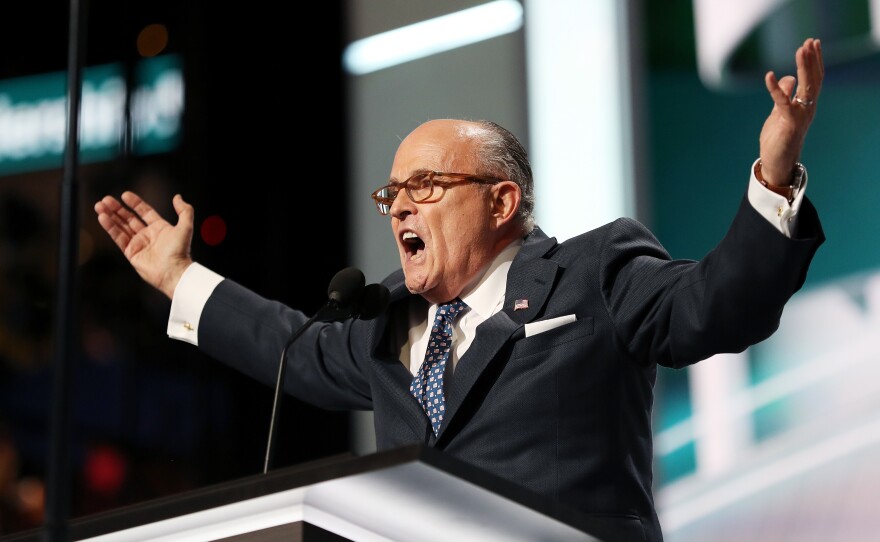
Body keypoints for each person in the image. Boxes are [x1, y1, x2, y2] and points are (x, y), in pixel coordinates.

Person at [94, 38, 825, 542]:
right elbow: (291, 348)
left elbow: (716, 306)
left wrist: (774, 179)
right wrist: (176, 276)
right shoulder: (386, 320)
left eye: (427, 185)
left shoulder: (594, 271)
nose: (401, 207)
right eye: (394, 195)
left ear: (502, 202)